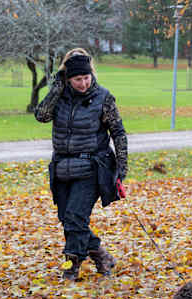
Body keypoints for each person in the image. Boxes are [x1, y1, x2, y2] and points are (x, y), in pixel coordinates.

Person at [35, 48, 128, 281]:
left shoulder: (103, 97)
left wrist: (121, 169)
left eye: (86, 78)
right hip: (61, 167)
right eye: (78, 79)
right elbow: (41, 116)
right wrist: (56, 89)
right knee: (68, 219)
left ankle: (72, 265)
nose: (84, 83)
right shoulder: (59, 96)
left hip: (92, 167)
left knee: (76, 216)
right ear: (68, 78)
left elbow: (118, 132)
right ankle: (100, 255)